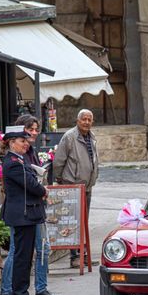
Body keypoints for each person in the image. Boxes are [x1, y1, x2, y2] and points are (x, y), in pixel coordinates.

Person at [0, 115, 62, 295]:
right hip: (22, 214)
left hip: (29, 213)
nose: (26, 143)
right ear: (12, 142)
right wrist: (42, 190)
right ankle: (16, 293)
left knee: (27, 254)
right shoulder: (13, 163)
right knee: (21, 255)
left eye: (26, 140)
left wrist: (39, 187)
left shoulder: (20, 160)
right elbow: (31, 184)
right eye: (22, 140)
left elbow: (32, 180)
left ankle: (26, 293)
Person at [53, 109, 99, 268]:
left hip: (86, 187)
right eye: (84, 119)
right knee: (73, 221)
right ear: (77, 121)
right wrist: (61, 180)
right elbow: (58, 161)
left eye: (89, 119)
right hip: (72, 186)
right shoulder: (70, 137)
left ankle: (82, 254)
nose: (86, 122)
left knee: (83, 221)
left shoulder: (91, 137)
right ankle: (75, 257)